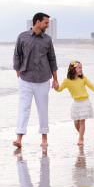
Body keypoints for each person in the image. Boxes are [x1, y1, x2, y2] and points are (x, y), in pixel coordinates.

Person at [13, 12, 59, 148]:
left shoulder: (47, 39)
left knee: (43, 109)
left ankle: (44, 138)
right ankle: (19, 138)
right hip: (25, 79)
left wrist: (55, 79)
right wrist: (18, 74)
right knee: (23, 108)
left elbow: (52, 59)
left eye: (48, 23)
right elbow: (17, 56)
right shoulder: (23, 37)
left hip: (43, 80)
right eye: (46, 23)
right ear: (37, 22)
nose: (47, 25)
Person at [55, 60, 94, 146]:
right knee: (76, 123)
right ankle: (81, 135)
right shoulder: (67, 81)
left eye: (81, 68)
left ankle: (80, 138)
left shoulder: (83, 79)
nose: (81, 69)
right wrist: (55, 86)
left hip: (85, 102)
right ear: (73, 69)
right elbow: (59, 89)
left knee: (82, 122)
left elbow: (92, 86)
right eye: (79, 68)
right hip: (76, 103)